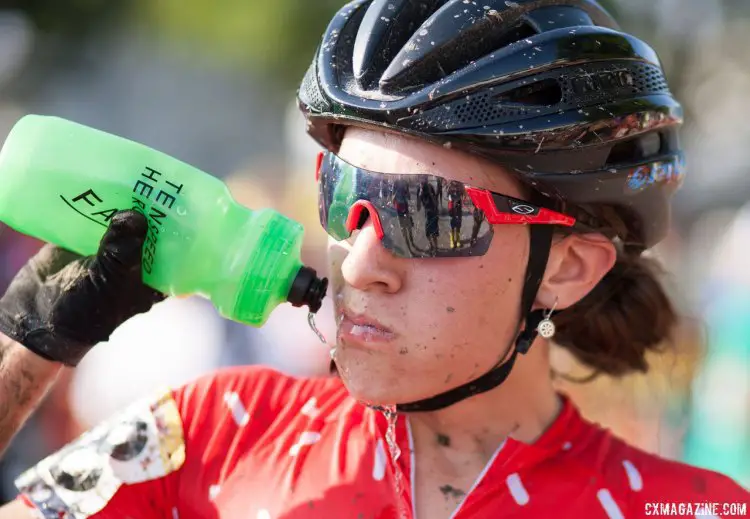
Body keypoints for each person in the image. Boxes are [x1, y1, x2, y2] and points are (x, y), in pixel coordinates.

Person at [0, 1, 748, 518]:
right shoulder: (218, 429)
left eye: (430, 215)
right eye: (342, 193)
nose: (360, 262)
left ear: (567, 268)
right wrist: (30, 343)